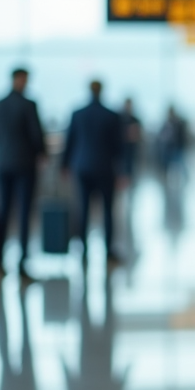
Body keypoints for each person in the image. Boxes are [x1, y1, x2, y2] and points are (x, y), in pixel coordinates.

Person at [0, 68, 46, 275]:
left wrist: (6, 146)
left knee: (3, 210)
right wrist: (38, 152)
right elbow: (37, 136)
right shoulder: (29, 105)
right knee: (24, 213)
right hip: (25, 165)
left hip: (3, 163)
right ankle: (22, 262)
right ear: (21, 79)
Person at [62, 80, 124, 264]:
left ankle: (83, 250)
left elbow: (70, 141)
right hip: (105, 168)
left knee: (83, 209)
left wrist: (64, 166)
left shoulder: (77, 113)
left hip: (82, 167)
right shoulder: (111, 115)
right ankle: (108, 250)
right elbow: (118, 146)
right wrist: (122, 171)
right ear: (102, 90)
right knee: (107, 210)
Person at [120, 98, 142, 180]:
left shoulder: (135, 119)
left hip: (132, 149)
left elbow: (139, 135)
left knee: (130, 171)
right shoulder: (119, 118)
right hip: (121, 150)